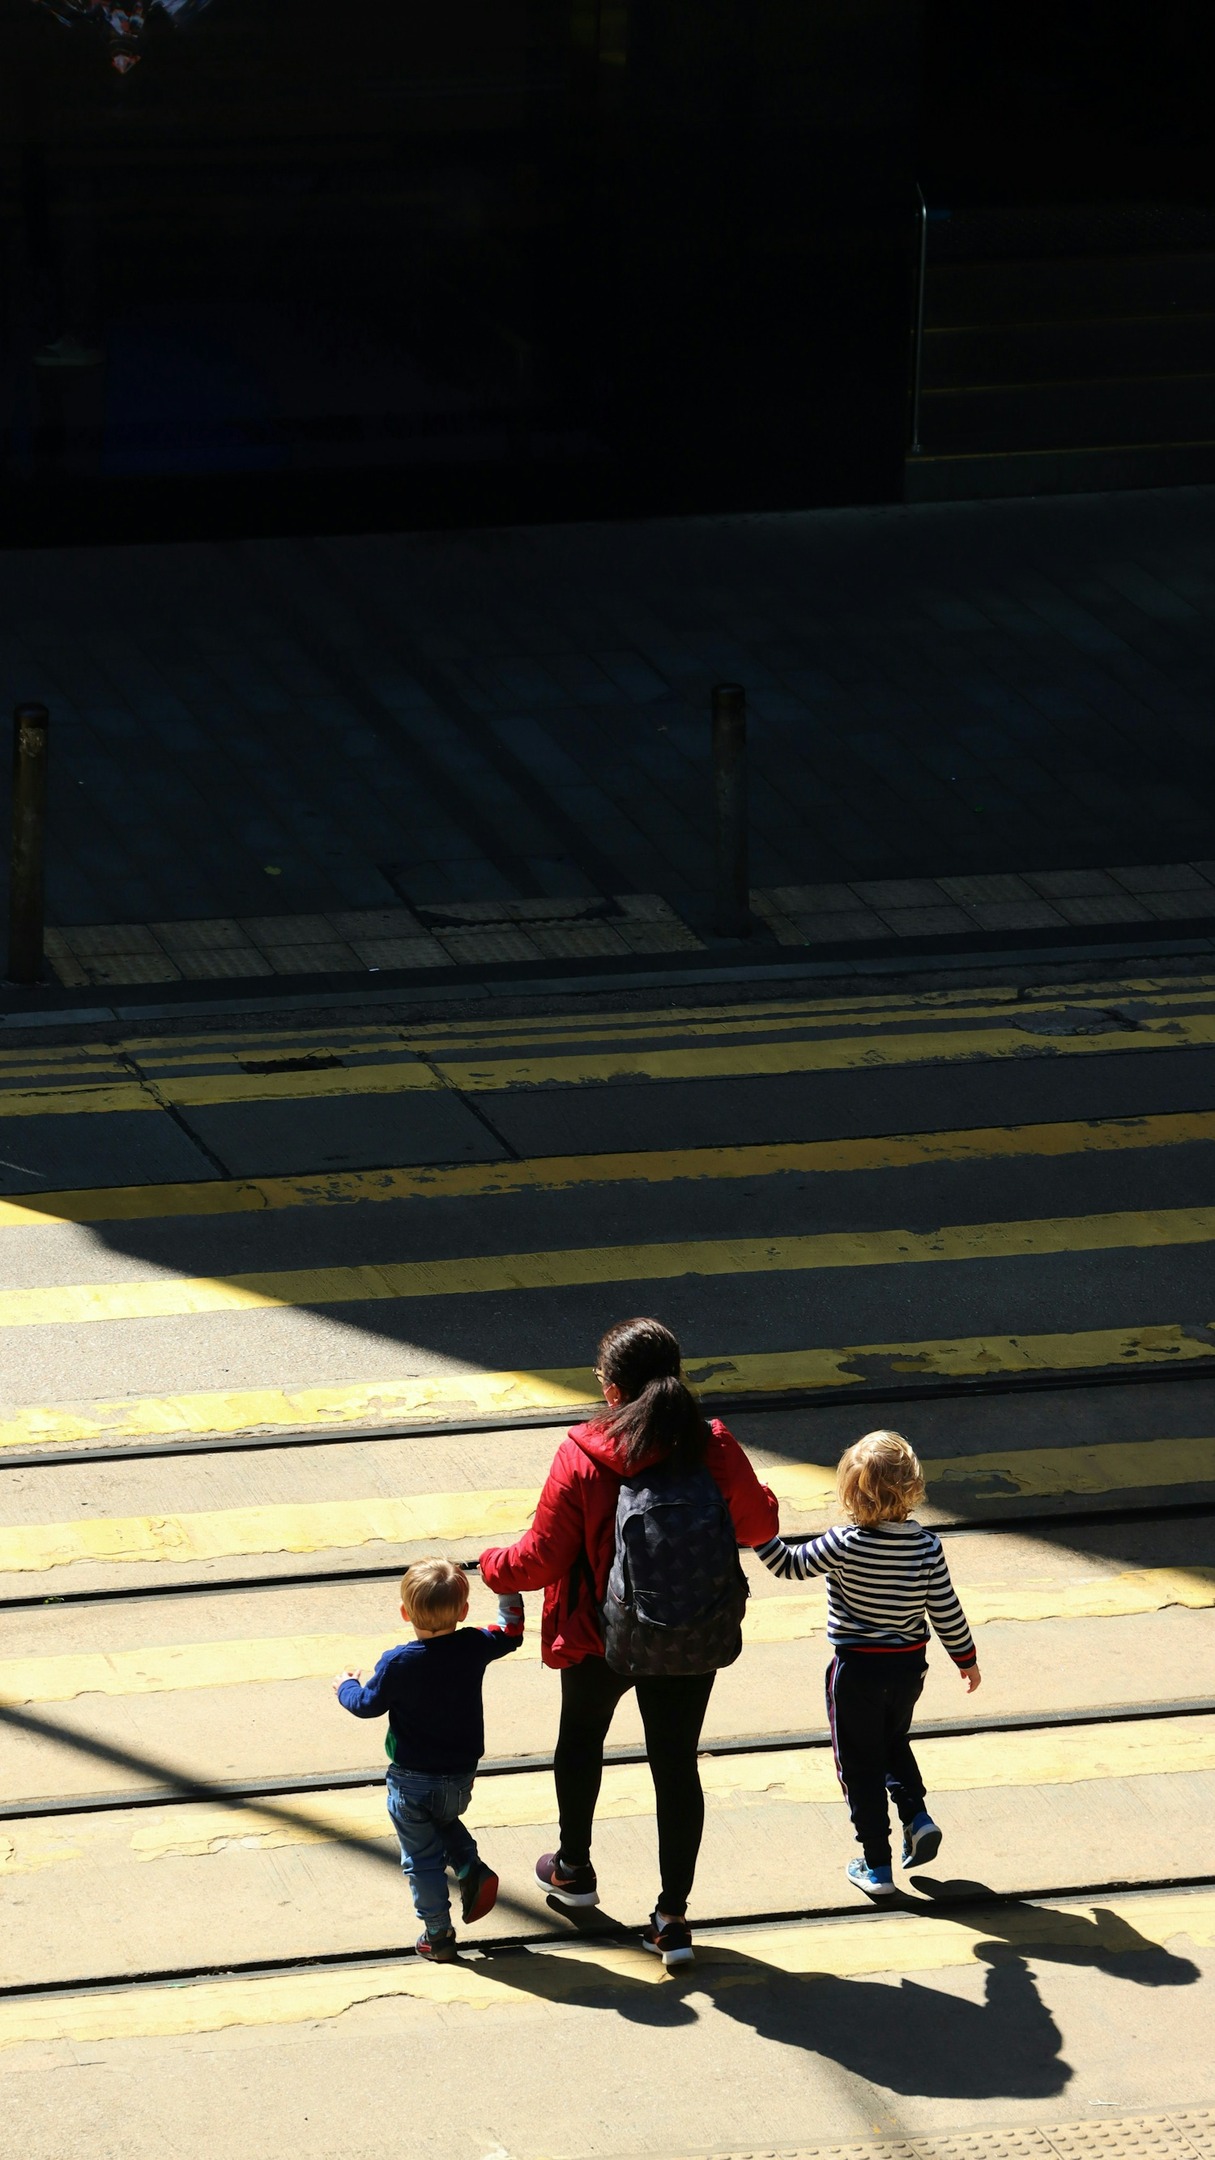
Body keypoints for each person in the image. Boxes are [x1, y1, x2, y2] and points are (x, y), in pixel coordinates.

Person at [479, 1315, 779, 1968]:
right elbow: (758, 1527)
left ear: (612, 1391)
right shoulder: (714, 1445)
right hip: (690, 1631)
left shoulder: (583, 1454)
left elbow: (538, 1560)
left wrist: (489, 1566)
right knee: (675, 1765)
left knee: (580, 1742)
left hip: (597, 1634)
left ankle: (574, 1870)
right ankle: (671, 1918)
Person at [755, 1428, 980, 1897]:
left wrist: (757, 1528)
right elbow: (946, 1610)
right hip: (908, 1669)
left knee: (857, 1765)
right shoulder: (927, 1548)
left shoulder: (844, 1543)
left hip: (855, 1671)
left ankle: (876, 1864)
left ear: (850, 1493)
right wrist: (966, 1659)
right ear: (914, 1487)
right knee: (893, 1742)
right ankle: (915, 1814)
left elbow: (789, 1565)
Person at [333, 1557, 524, 1961]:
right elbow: (511, 1633)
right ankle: (469, 1865)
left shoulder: (398, 1662)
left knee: (420, 1859)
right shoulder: (473, 1644)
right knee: (441, 1819)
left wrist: (345, 1687)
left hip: (411, 1779)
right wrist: (507, 1585)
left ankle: (438, 1935)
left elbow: (366, 1705)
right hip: (460, 1777)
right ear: (464, 1611)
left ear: (405, 1612)